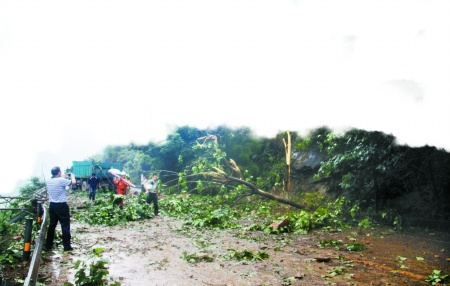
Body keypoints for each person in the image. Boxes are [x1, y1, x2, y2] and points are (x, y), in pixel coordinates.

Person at [45, 166, 76, 251]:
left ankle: (48, 245)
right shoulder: (61, 180)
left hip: (52, 205)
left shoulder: (49, 181)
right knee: (65, 225)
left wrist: (63, 177)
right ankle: (66, 246)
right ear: (59, 172)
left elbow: (58, 181)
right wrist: (72, 176)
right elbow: (73, 183)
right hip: (61, 205)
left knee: (52, 225)